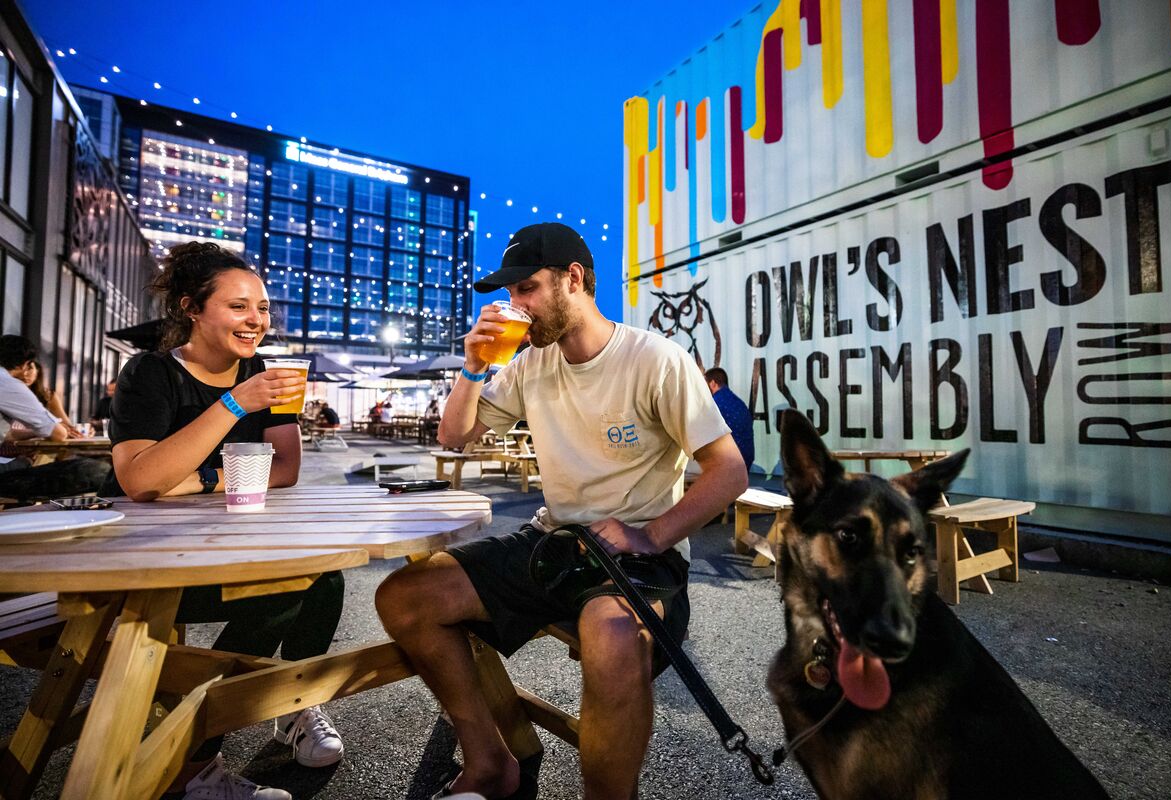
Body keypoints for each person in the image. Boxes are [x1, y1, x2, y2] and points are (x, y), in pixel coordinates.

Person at [374, 222, 747, 799]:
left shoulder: (655, 359)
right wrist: (473, 368)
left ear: (574, 279)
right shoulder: (529, 364)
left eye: (526, 289)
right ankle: (490, 764)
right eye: (510, 293)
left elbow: (729, 471)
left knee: (614, 634)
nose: (513, 306)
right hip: (554, 543)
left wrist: (650, 535)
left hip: (638, 559)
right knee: (405, 597)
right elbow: (454, 438)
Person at [107, 241, 345, 800]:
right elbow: (140, 480)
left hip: (225, 545)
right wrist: (236, 405)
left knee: (322, 579)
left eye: (262, 307)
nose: (256, 319)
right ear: (193, 308)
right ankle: (195, 770)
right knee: (280, 592)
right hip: (145, 562)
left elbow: (284, 469)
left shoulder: (269, 373)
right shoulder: (150, 373)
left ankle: (292, 703)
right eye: (239, 306)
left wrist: (200, 480)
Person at [0, 336, 110, 500]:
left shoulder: (46, 395)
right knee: (101, 470)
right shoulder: (7, 383)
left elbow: (6, 433)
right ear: (25, 364)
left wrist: (36, 432)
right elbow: (58, 434)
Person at [704, 367, 754, 473]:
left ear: (712, 383)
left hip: (727, 465)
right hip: (745, 462)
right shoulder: (739, 402)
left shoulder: (714, 404)